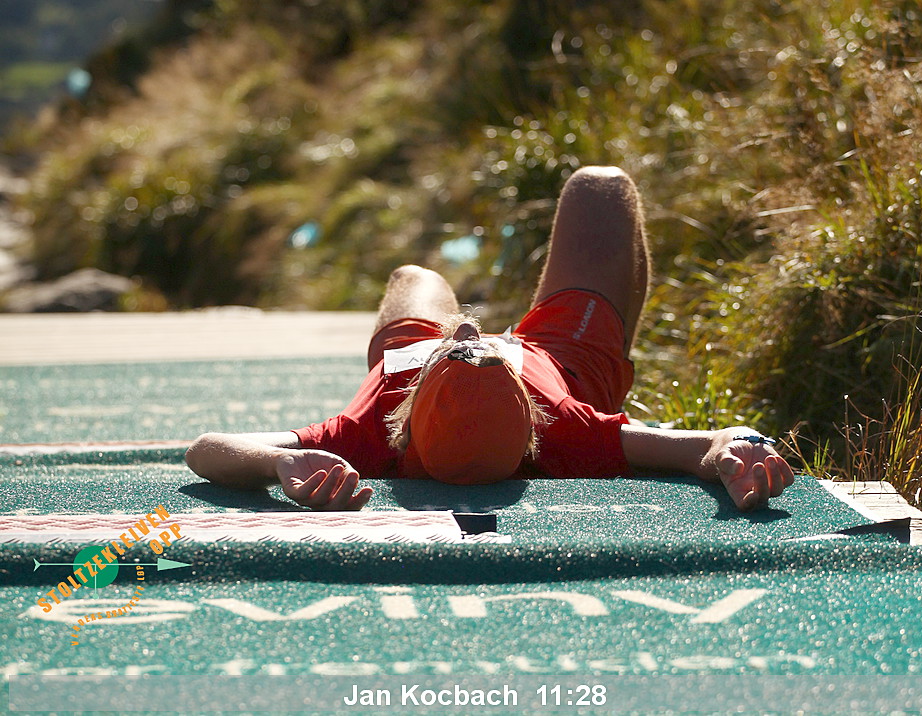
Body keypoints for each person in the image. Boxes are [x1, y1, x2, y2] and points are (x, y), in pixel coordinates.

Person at [186, 166, 794, 511]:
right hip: (560, 358)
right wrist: (737, 448)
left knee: (415, 278)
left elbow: (207, 450)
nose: (472, 328)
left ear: (407, 415)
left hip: (409, 356)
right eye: (484, 353)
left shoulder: (365, 434)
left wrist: (280, 460)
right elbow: (704, 446)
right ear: (531, 419)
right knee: (600, 186)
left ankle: (429, 312)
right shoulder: (568, 430)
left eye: (457, 349)